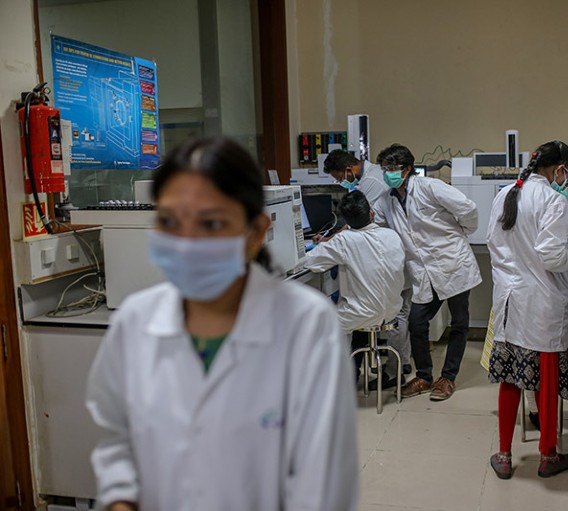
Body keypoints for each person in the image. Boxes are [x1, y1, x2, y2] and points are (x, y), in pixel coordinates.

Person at [86, 137, 358, 511]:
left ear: (256, 232)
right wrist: (120, 500)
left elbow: (324, 482)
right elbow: (117, 441)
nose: (186, 242)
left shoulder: (305, 326)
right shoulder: (135, 321)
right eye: (169, 222)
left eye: (211, 223)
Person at [486, 140, 568, 479]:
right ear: (558, 170)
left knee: (510, 379)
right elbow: (552, 256)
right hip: (541, 306)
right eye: (567, 174)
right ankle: (548, 456)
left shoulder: (505, 193)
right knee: (546, 383)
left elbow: (494, 242)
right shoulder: (553, 199)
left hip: (510, 302)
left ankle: (505, 455)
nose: (567, 181)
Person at [373, 143, 481, 401]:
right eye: (384, 169)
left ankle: (448, 378)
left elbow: (468, 209)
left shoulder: (430, 187)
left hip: (452, 263)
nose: (388, 173)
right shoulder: (385, 200)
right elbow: (375, 224)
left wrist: (461, 234)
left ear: (408, 169)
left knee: (459, 323)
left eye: (393, 168)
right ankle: (424, 376)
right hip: (423, 271)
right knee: (416, 322)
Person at [322, 149, 412, 379]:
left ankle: (391, 370)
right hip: (390, 254)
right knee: (396, 312)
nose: (341, 182)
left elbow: (358, 220)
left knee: (381, 312)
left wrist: (331, 239)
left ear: (348, 170)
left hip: (382, 256)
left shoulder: (370, 182)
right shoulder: (368, 178)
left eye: (340, 178)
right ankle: (398, 366)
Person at [305, 190, 406, 388]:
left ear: (347, 223)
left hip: (362, 313)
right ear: (371, 214)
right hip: (393, 311)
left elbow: (312, 263)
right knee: (352, 312)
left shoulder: (344, 240)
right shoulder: (392, 235)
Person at [524, 153, 568, 430]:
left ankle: (541, 411)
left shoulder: (540, 197)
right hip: (544, 288)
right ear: (563, 174)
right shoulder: (554, 200)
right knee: (541, 359)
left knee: (539, 357)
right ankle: (538, 412)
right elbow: (556, 252)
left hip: (538, 288)